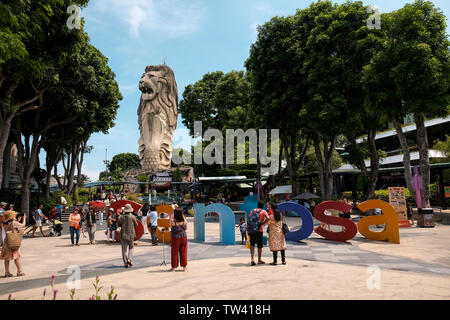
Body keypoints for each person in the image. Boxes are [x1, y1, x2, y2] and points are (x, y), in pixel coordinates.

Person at [1, 210, 26, 277]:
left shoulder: (4, 223)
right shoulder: (13, 222)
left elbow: (12, 227)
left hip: (6, 241)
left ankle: (7, 272)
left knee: (7, 258)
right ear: (11, 217)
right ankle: (19, 271)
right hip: (13, 241)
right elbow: (23, 225)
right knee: (16, 257)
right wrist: (24, 219)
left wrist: (17, 220)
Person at [247, 201, 270, 266]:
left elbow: (249, 220)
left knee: (252, 245)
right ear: (263, 206)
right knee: (259, 246)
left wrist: (248, 230)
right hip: (259, 230)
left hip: (251, 230)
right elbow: (268, 218)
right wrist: (263, 223)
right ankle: (259, 260)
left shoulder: (252, 211)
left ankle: (252, 258)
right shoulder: (263, 211)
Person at [117, 204, 138, 268]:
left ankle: (125, 263)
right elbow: (136, 224)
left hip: (123, 234)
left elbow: (118, 224)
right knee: (131, 247)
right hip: (131, 234)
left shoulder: (121, 217)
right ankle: (129, 259)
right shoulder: (133, 217)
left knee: (124, 249)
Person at [170, 208, 188, 272]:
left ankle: (174, 268)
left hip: (175, 238)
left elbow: (171, 227)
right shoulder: (184, 221)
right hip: (183, 237)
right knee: (184, 252)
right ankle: (184, 267)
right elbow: (186, 228)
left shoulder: (172, 221)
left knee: (174, 252)